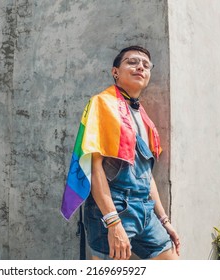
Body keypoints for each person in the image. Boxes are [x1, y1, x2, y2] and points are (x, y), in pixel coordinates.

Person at [61, 46, 180, 260]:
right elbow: (93, 166)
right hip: (114, 208)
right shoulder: (102, 103)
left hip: (145, 209)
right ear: (115, 71)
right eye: (132, 62)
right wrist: (113, 222)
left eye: (146, 65)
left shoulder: (144, 117)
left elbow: (146, 174)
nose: (140, 67)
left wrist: (164, 221)